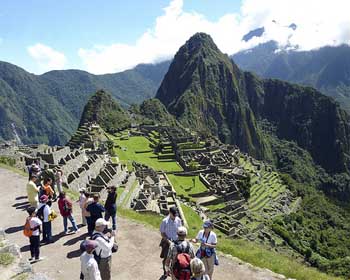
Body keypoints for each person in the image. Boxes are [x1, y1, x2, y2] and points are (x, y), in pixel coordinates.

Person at [160, 206, 182, 278]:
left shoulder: (178, 220)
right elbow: (162, 233)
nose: (175, 216)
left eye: (176, 215)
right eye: (174, 215)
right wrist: (168, 241)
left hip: (176, 242)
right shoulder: (165, 221)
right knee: (166, 258)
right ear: (170, 213)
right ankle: (165, 272)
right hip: (167, 242)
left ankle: (173, 271)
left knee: (176, 258)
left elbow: (180, 230)